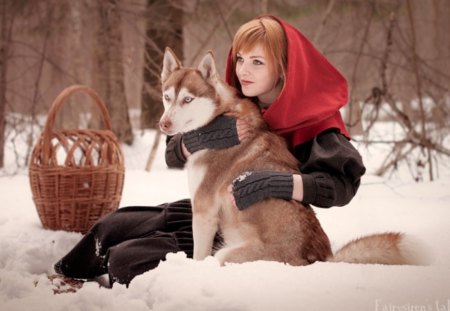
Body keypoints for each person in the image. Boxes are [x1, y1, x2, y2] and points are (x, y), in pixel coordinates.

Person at [54, 15, 365, 286]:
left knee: (127, 259)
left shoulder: (315, 117)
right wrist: (202, 138)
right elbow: (173, 152)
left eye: (258, 62)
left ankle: (119, 280)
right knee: (115, 224)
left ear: (283, 66)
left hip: (254, 227)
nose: (244, 70)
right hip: (219, 205)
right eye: (240, 58)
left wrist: (279, 182)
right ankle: (65, 274)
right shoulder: (233, 97)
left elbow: (342, 185)